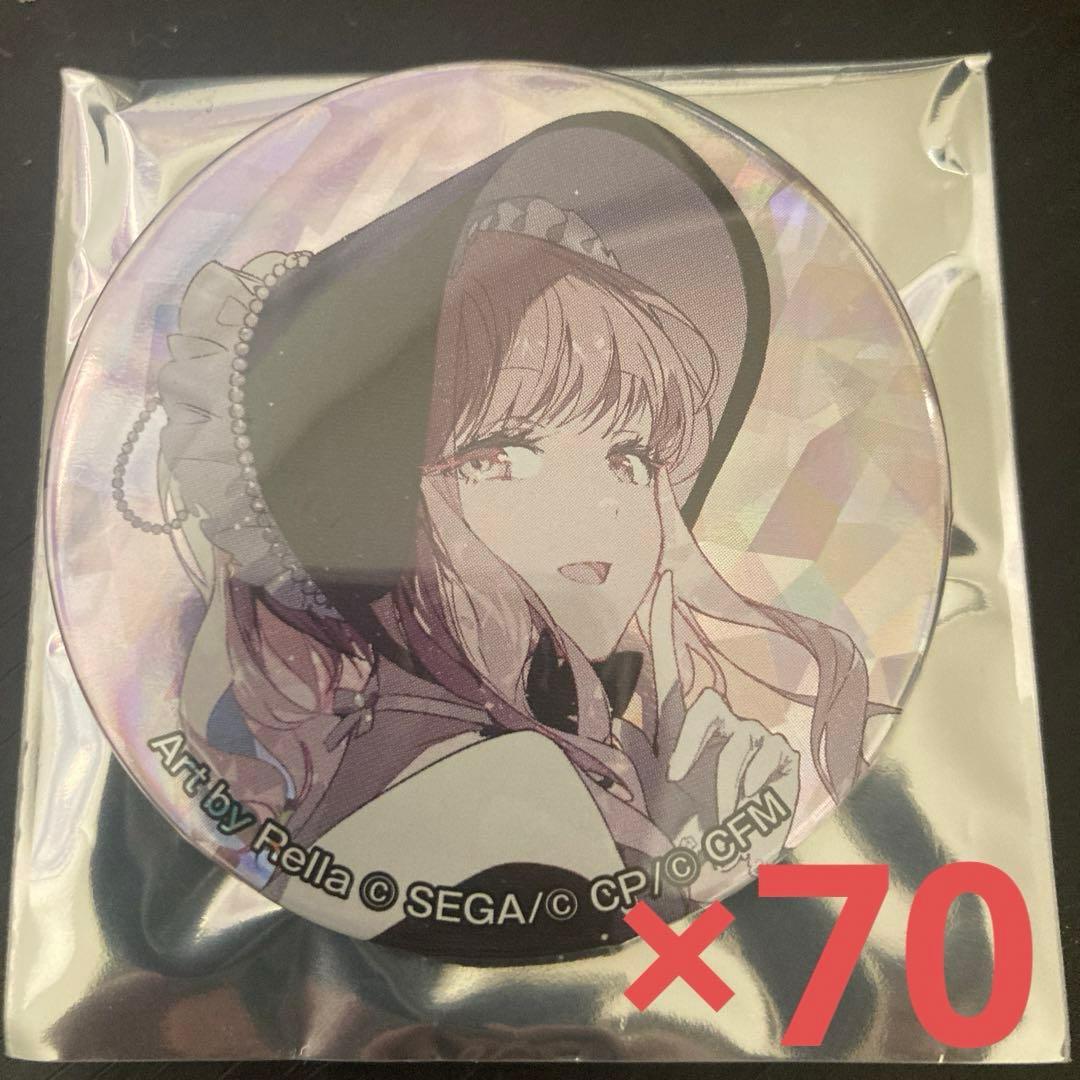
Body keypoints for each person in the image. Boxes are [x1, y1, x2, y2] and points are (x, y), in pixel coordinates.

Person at [122, 112, 887, 949]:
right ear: (359, 496)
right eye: (499, 453)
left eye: (631, 456)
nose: (603, 507)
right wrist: (695, 867)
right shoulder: (514, 781)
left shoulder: (459, 754)